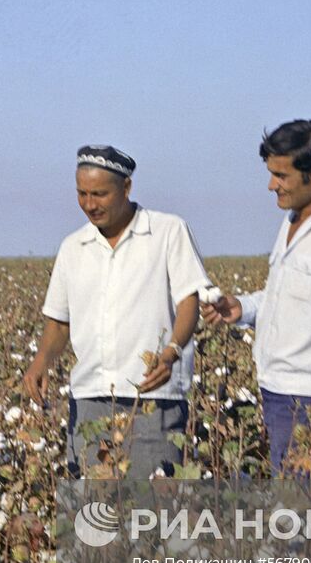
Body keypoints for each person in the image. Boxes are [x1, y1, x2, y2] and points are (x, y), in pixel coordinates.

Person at [201, 120, 311, 475]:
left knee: (306, 514)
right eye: (271, 174)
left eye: (281, 176)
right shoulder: (292, 220)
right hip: (276, 391)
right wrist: (243, 308)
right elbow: (287, 297)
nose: (272, 185)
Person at [23, 145, 212, 478]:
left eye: (99, 194)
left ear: (126, 188)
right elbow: (59, 322)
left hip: (153, 398)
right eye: (82, 194)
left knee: (154, 513)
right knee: (90, 518)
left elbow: (189, 303)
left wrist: (170, 353)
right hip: (89, 399)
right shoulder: (72, 247)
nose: (90, 204)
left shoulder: (168, 231)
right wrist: (42, 360)